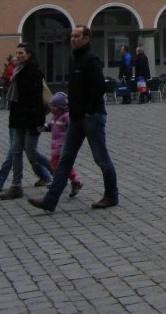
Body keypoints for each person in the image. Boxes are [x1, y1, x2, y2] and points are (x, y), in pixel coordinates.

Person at [28, 24, 118, 213]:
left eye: (77, 36)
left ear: (86, 38)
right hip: (75, 118)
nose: (72, 39)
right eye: (71, 36)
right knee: (65, 159)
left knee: (101, 158)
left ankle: (111, 195)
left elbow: (99, 88)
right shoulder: (74, 59)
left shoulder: (91, 60)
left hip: (91, 117)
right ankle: (50, 200)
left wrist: (88, 110)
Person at [0, 42, 52, 200]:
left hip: (31, 118)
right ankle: (16, 186)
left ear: (29, 54)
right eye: (17, 53)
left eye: (22, 53)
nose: (19, 56)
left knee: (32, 153)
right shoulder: (16, 71)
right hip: (18, 118)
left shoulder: (34, 73)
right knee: (15, 151)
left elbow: (37, 100)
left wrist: (40, 121)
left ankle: (59, 172)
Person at [43, 93, 83, 198]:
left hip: (63, 145)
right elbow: (50, 125)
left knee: (59, 164)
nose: (51, 108)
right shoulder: (55, 116)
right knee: (58, 164)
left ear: (60, 106)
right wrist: (44, 127)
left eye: (53, 106)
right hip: (55, 145)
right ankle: (72, 181)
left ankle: (63, 181)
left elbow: (72, 128)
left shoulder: (66, 116)